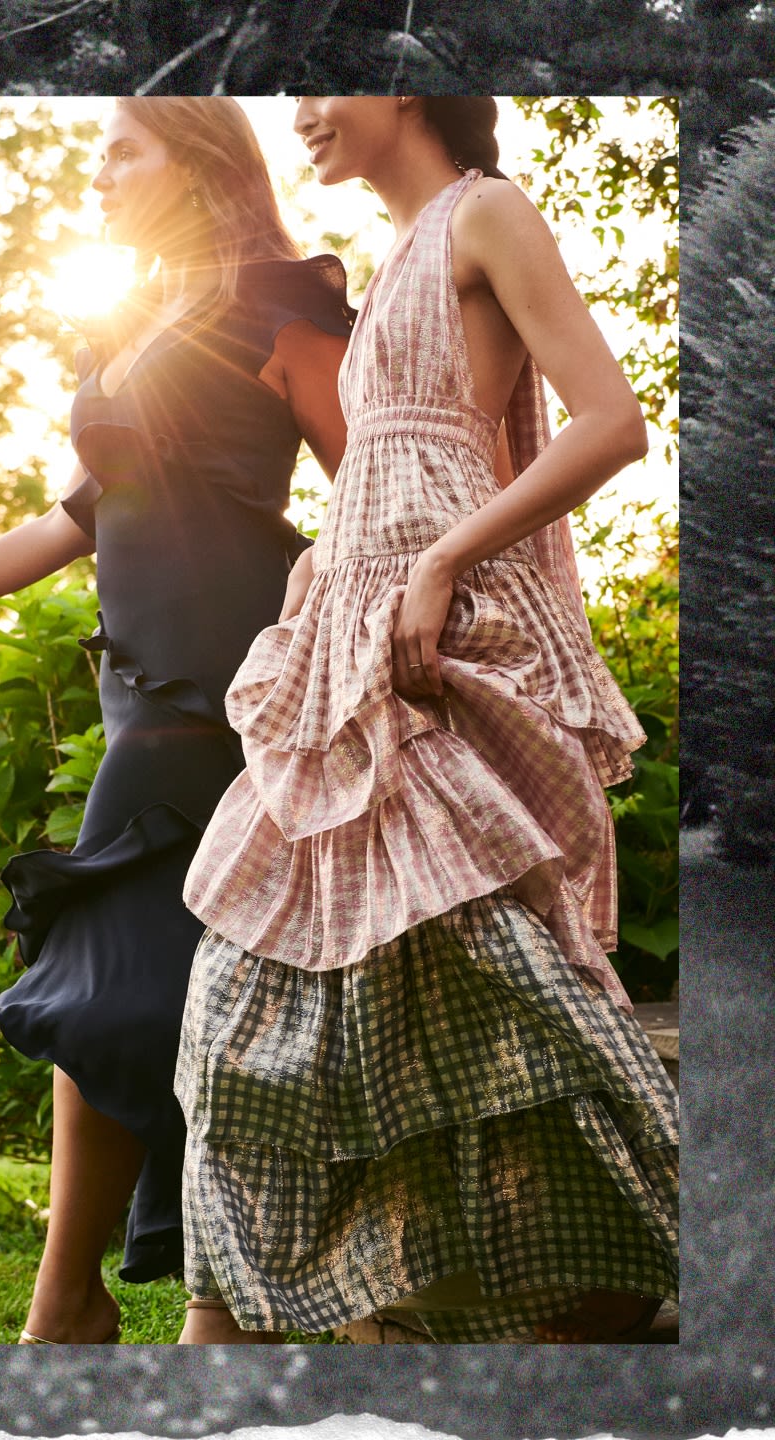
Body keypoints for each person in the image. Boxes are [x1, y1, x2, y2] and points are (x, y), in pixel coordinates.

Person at [0, 97, 352, 1344]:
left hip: (243, 686)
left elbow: (363, 475)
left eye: (124, 146)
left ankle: (82, 1306)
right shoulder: (132, 323)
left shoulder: (283, 292)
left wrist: (371, 641)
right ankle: (127, 1307)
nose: (98, 170)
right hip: (142, 693)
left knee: (132, 987)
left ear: (202, 158)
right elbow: (76, 520)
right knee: (131, 988)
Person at [175, 96, 679, 1346]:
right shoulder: (394, 255)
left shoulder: (485, 214)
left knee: (517, 992)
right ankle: (231, 1332)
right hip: (346, 648)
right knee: (246, 1014)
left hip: (436, 648)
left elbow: (614, 422)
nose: (299, 114)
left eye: (324, 81)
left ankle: (606, 1309)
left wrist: (446, 560)